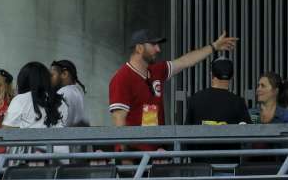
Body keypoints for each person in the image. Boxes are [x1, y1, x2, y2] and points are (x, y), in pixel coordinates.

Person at [110, 29, 239, 131]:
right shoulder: (122, 78)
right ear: (139, 48)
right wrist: (126, 159)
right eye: (154, 45)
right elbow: (119, 121)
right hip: (136, 159)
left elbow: (185, 61)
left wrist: (214, 46)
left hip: (159, 153)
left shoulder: (157, 70)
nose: (158, 49)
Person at [3, 62, 67, 142]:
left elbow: (7, 132)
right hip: (61, 150)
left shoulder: (20, 100)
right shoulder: (60, 101)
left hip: (33, 151)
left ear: (23, 80)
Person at [185, 59, 248, 126]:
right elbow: (249, 130)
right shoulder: (238, 102)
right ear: (231, 77)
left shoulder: (195, 99)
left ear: (211, 74)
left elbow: (186, 130)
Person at [50, 60, 90, 127]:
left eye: (52, 75)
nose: (50, 79)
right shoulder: (77, 92)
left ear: (64, 74)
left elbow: (57, 126)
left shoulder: (62, 93)